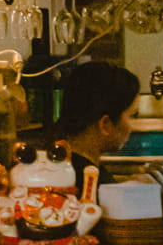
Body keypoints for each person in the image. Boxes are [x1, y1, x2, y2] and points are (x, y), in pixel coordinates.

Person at [54, 60, 140, 189]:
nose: (132, 127)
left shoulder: (52, 169)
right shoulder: (94, 187)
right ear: (105, 124)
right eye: (131, 115)